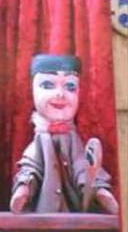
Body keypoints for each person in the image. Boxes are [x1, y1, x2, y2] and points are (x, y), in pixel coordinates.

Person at [10, 54, 118, 214]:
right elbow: (31, 165)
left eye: (70, 87)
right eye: (48, 85)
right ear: (32, 90)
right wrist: (24, 187)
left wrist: (97, 188)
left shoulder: (73, 139)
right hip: (44, 214)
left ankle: (100, 191)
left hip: (74, 213)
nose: (60, 94)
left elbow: (82, 165)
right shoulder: (40, 139)